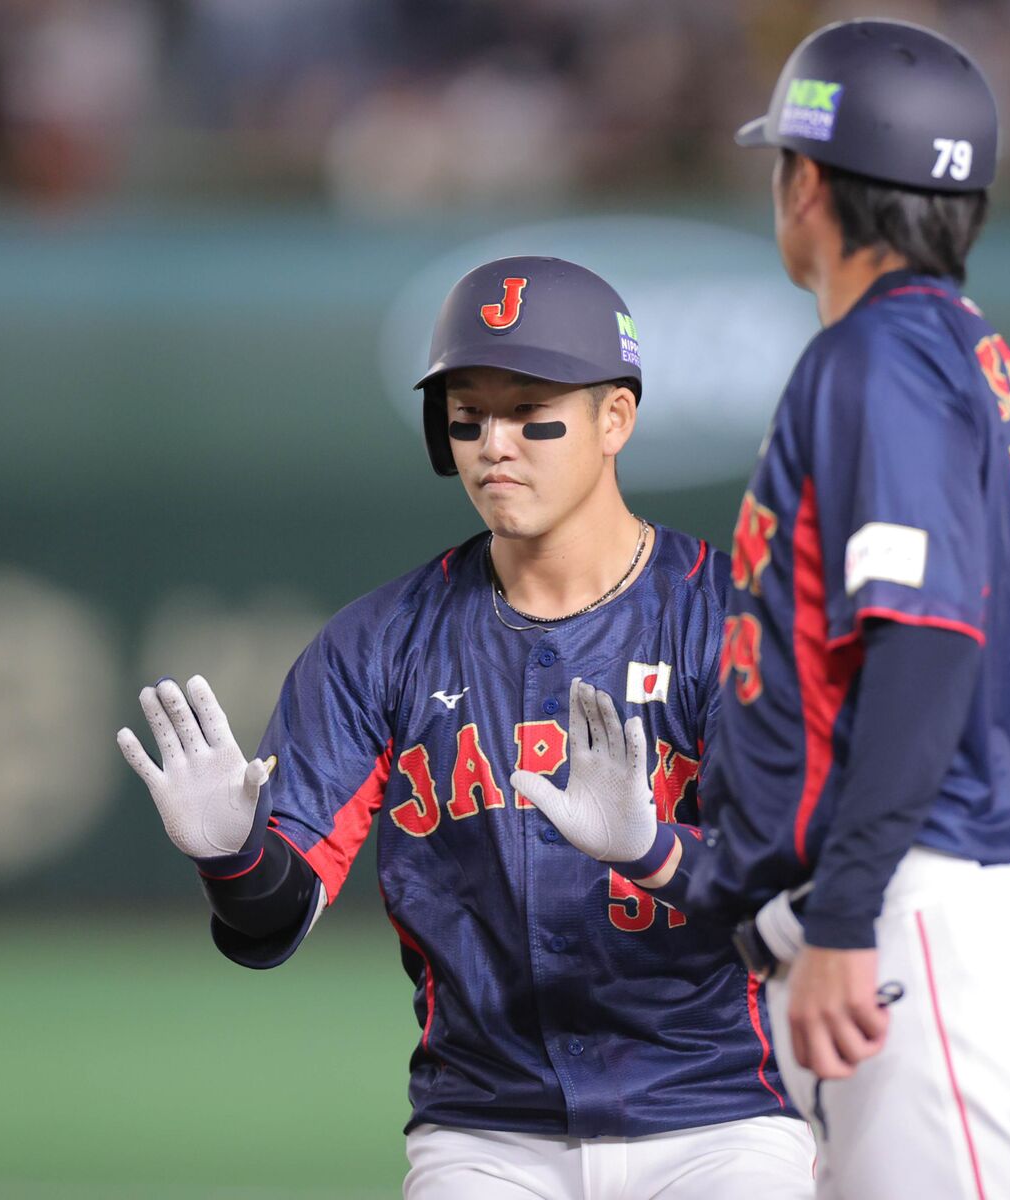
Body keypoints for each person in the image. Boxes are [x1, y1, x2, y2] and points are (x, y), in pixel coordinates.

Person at [518, 21, 1010, 1200]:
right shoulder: (1006, 389)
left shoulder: (878, 360)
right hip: (944, 937)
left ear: (807, 183)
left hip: (922, 949)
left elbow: (927, 645)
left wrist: (848, 914)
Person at [117, 256, 815, 1199]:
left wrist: (654, 851)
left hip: (722, 1116)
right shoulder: (376, 646)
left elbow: (789, 897)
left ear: (616, 418)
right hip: (486, 1133)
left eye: (532, 412)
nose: (495, 445)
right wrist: (232, 858)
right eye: (468, 415)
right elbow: (277, 918)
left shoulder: (728, 622)